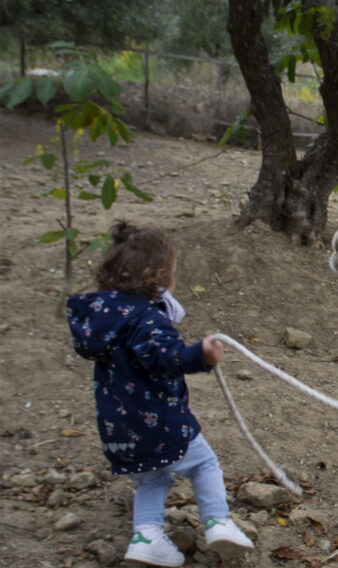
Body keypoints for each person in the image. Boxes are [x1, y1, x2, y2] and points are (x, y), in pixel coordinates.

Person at [66, 221, 253, 566]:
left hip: (119, 432)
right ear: (160, 276)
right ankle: (218, 522)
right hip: (161, 426)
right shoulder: (147, 319)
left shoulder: (102, 319)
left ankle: (146, 537)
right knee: (204, 464)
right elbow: (166, 358)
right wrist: (200, 355)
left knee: (152, 478)